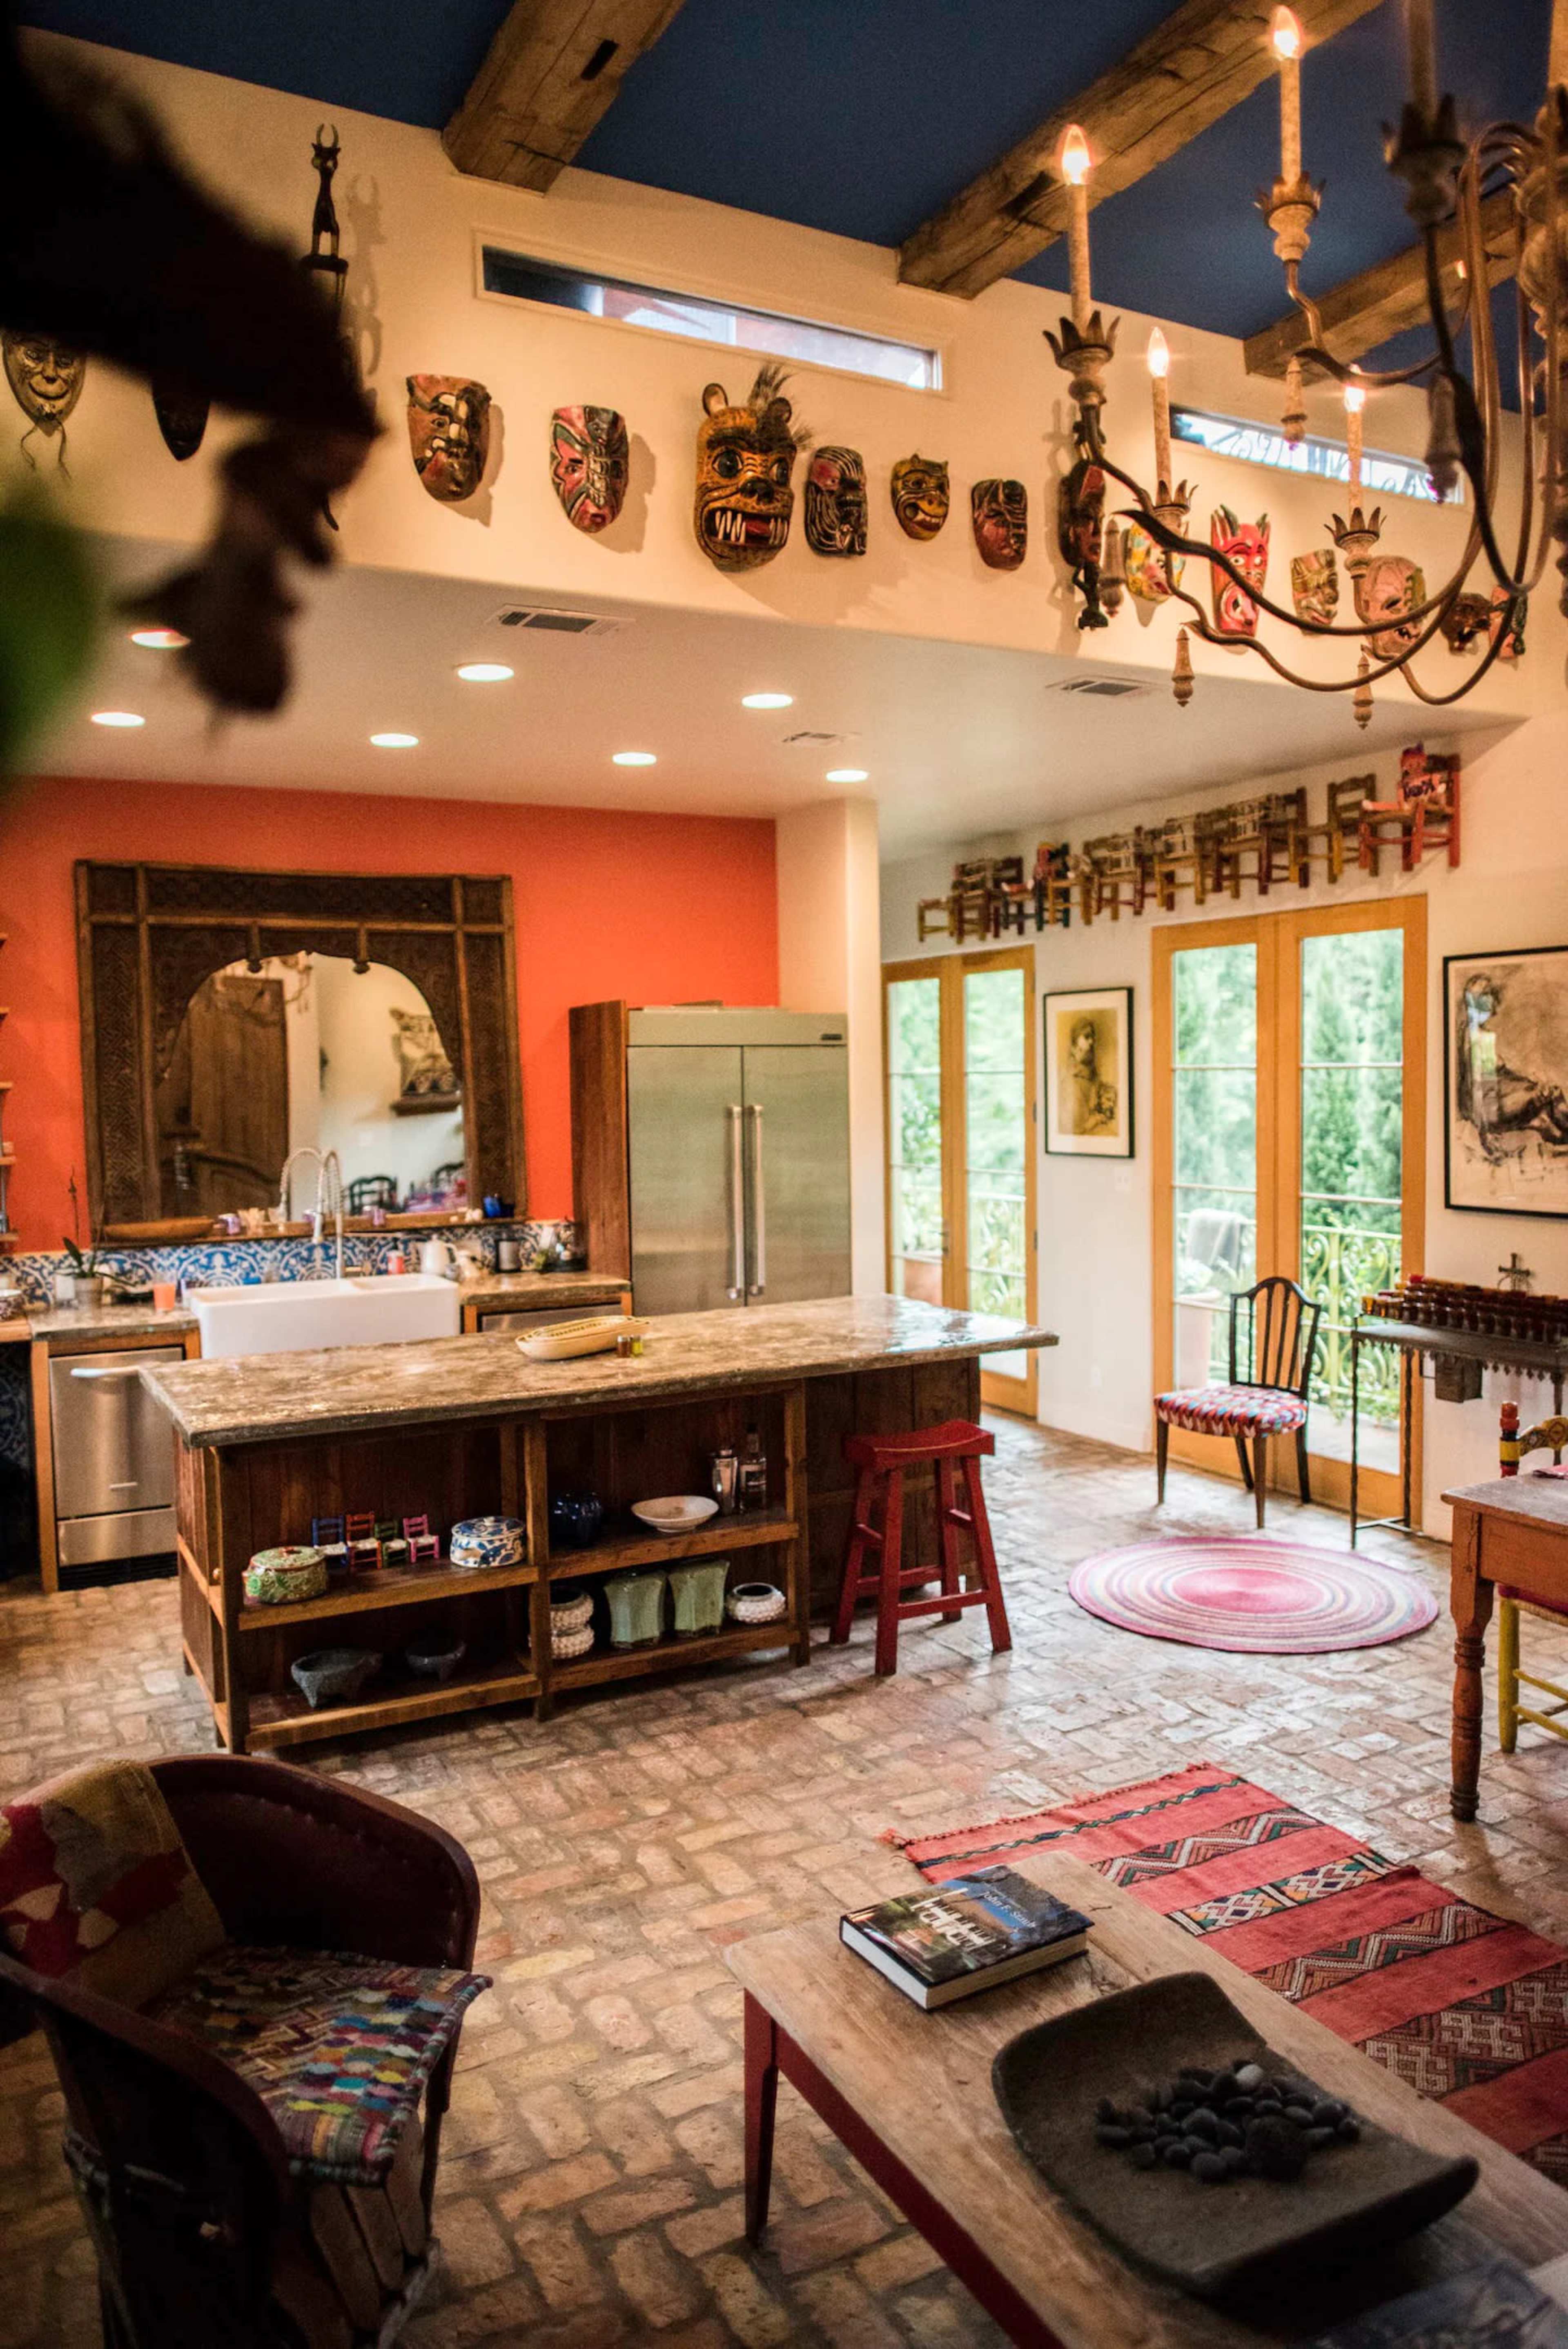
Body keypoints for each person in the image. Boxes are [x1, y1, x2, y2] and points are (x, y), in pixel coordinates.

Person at [1065, 1014, 1117, 1136]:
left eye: (1092, 1037)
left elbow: (1098, 1088)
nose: (1092, 1042)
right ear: (1076, 1039)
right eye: (1087, 1037)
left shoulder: (1091, 1066)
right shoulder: (1070, 1075)